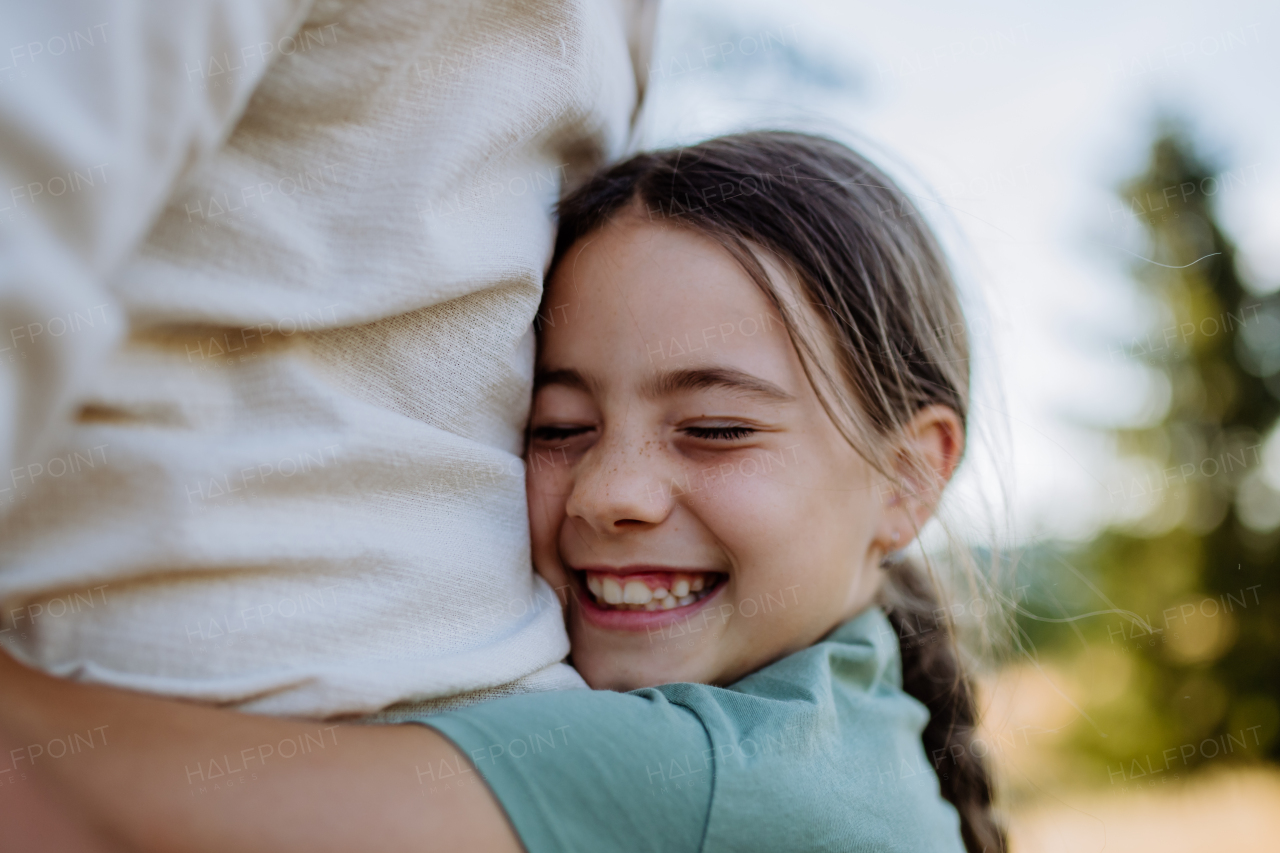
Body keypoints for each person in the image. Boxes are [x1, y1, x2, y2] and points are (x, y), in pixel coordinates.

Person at [0, 131, 1003, 852]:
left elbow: (70, 796)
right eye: (557, 428)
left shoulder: (715, 779)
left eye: (713, 429)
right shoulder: (845, 717)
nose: (609, 492)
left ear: (907, 477)